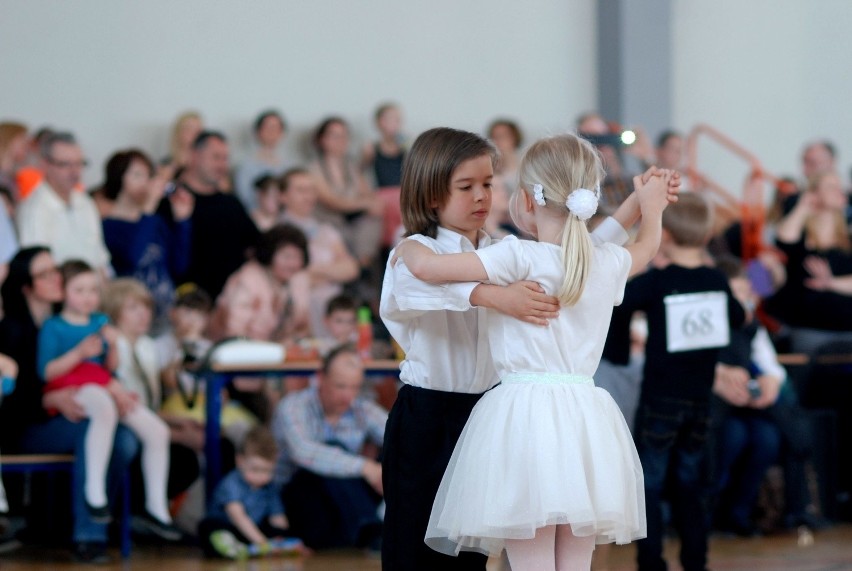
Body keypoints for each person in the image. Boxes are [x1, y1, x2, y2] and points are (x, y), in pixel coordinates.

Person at [379, 127, 664, 571]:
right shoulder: (416, 249)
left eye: (488, 184)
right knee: (414, 547)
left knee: (473, 555)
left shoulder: (508, 250)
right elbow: (415, 286)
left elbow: (584, 251)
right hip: (431, 414)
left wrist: (631, 205)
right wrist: (493, 296)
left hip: (497, 416)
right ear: (432, 193)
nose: (481, 196)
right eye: (466, 186)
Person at [616, 192, 746, 571]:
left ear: (665, 235)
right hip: (700, 400)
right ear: (706, 236)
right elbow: (739, 317)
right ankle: (695, 560)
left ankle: (651, 562)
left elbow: (621, 304)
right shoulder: (715, 279)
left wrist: (621, 352)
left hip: (660, 399)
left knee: (651, 484)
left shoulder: (657, 281)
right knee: (690, 482)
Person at [0, 247, 139, 563]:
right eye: (44, 273)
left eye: (56, 270)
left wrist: (117, 389)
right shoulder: (12, 328)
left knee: (125, 440)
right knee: (91, 431)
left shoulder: (70, 322)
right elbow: (9, 397)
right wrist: (48, 399)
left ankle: (94, 519)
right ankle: (88, 536)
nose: (56, 277)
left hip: (69, 415)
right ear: (26, 286)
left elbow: (97, 368)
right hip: (26, 427)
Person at [36, 260, 179, 539]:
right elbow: (46, 371)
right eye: (80, 290)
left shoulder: (101, 323)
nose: (88, 297)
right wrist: (79, 352)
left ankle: (156, 506)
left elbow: (109, 367)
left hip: (103, 384)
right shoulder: (54, 327)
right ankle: (95, 490)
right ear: (63, 292)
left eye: (93, 290)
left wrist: (113, 346)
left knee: (157, 430)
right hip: (75, 388)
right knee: (103, 405)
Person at [101, 278, 200, 531]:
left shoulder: (147, 346)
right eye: (133, 308)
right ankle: (132, 511)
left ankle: (148, 510)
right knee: (137, 443)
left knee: (188, 453)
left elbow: (158, 394)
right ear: (114, 311)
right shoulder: (111, 344)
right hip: (122, 419)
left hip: (146, 419)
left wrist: (177, 423)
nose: (143, 314)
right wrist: (175, 431)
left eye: (146, 308)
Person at [271, 345, 386, 551]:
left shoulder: (361, 408)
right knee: (332, 450)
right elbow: (303, 452)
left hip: (343, 501)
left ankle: (380, 527)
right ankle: (372, 529)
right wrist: (365, 467)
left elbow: (396, 434)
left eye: (354, 387)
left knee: (392, 454)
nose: (347, 396)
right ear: (320, 378)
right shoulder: (293, 406)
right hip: (299, 498)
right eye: (341, 386)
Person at [709, 256, 785, 537]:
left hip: (746, 405)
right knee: (733, 437)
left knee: (767, 438)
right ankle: (711, 512)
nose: (743, 301)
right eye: (735, 294)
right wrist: (719, 374)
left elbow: (770, 365)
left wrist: (770, 382)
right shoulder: (706, 322)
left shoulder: (752, 325)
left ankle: (739, 513)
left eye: (746, 293)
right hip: (714, 408)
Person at [156, 131, 260, 299]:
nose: (222, 165)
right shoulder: (169, 201)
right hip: (187, 302)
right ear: (194, 156)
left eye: (225, 158)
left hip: (231, 301)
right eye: (215, 157)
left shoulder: (231, 203)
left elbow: (254, 245)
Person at [101, 149, 194, 333]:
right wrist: (149, 206)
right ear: (118, 178)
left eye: (148, 175)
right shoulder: (108, 225)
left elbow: (179, 266)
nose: (146, 182)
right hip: (131, 319)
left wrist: (182, 221)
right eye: (137, 175)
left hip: (165, 315)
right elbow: (132, 257)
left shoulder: (156, 222)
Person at [765, 170, 852, 355]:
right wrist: (804, 206)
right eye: (830, 187)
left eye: (839, 186)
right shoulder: (801, 236)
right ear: (813, 193)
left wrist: (831, 283)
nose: (839, 191)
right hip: (809, 329)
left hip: (847, 328)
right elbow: (784, 239)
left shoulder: (848, 239)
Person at [199, 426, 303, 559]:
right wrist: (262, 543)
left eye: (267, 471)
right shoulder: (231, 484)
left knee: (279, 530)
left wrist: (284, 539)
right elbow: (238, 517)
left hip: (253, 529)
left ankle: (247, 548)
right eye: (255, 470)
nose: (261, 476)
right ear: (240, 461)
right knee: (209, 528)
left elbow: (278, 517)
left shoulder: (269, 487)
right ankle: (235, 547)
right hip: (230, 526)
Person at [15, 132, 111, 274]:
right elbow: (41, 271)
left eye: (79, 163)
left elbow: (100, 258)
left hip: (92, 289)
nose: (74, 172)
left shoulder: (85, 202)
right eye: (65, 164)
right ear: (44, 165)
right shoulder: (33, 210)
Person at [279, 168, 359, 337]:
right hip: (297, 313)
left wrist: (312, 271)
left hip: (333, 313)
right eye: (301, 190)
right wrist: (332, 271)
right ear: (283, 196)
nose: (308, 196)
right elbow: (284, 275)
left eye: (311, 190)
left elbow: (351, 268)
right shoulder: (275, 232)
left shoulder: (325, 230)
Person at [208, 223, 312, 344]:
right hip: (241, 350)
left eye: (297, 257)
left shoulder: (299, 279)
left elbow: (302, 328)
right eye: (286, 256)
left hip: (281, 353)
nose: (292, 263)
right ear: (270, 254)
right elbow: (234, 329)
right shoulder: (248, 279)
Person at [235, 110, 291, 211]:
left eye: (276, 128)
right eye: (268, 127)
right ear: (258, 131)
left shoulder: (288, 165)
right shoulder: (246, 165)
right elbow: (244, 197)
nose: (272, 132)